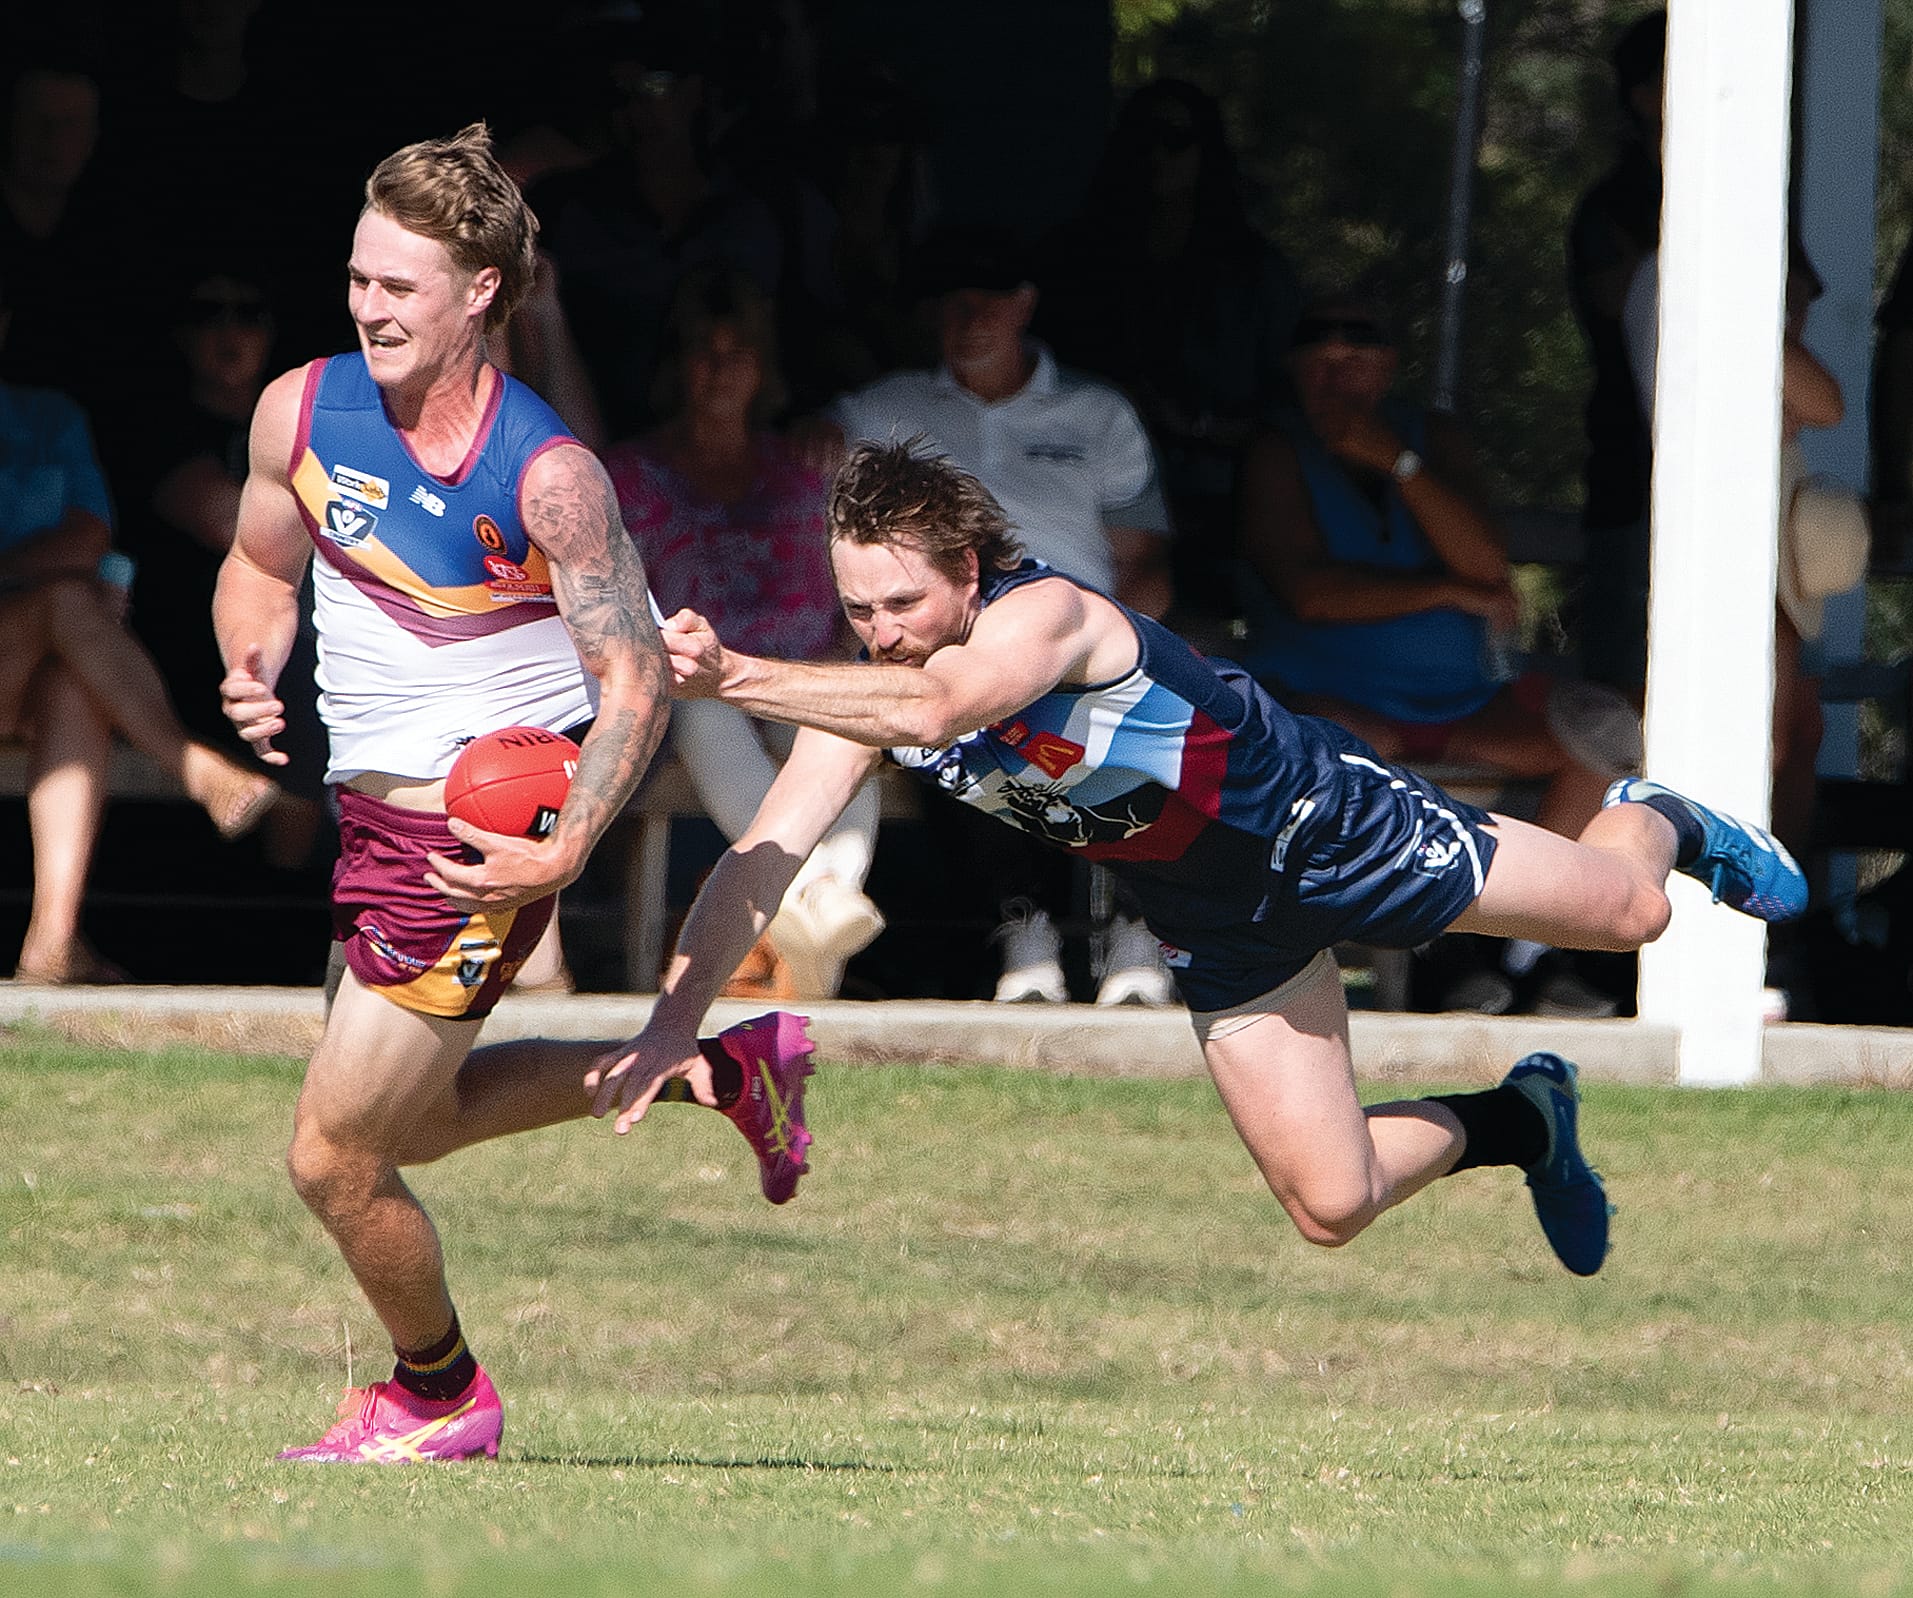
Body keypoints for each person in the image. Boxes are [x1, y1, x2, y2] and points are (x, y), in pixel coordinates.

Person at [597, 441, 1808, 1279]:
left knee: (1633, 911)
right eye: (858, 611)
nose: (880, 634)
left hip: (1332, 830)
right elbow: (758, 859)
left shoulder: (1045, 616)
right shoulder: (866, 689)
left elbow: (941, 705)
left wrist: (734, 673)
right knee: (1330, 1202)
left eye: (902, 604)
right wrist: (671, 1021)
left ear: (965, 570)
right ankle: (1522, 1119)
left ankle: (1656, 809)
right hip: (1216, 919)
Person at [212, 125, 815, 1465]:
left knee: (332, 1155)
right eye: (358, 277)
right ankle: (722, 1069)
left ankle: (439, 1393)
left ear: (481, 291)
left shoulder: (548, 476)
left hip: (476, 836)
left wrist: (565, 847)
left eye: (400, 286)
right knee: (419, 1120)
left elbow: (636, 678)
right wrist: (249, 656)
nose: (369, 307)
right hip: (370, 820)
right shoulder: (299, 411)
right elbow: (257, 564)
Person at [1236, 294, 1637, 1015]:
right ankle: (1433, 948)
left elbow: (1485, 561)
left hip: (1464, 704)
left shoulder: (1429, 438)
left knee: (1603, 740)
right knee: (1335, 747)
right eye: (1320, 365)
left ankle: (1527, 953)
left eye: (1356, 363)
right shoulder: (1276, 449)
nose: (1336, 381)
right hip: (1335, 700)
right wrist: (1449, 592)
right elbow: (1310, 595)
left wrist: (1398, 462)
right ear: (1293, 370)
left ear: (1389, 367)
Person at [812, 224, 1177, 1005]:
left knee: (1144, 711)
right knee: (943, 720)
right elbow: (799, 492)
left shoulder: (1097, 412)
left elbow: (1142, 562)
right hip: (940, 642)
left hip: (1076, 634)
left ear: (1026, 305)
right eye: (954, 302)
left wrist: (1127, 653)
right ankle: (1022, 927)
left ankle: (1140, 930)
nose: (970, 318)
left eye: (990, 299)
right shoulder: (878, 410)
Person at [604, 264, 884, 998]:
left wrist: (845, 655)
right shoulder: (628, 473)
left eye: (740, 351)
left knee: (849, 720)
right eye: (704, 349)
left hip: (804, 671)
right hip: (691, 681)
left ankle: (815, 898)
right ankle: (819, 898)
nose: (721, 367)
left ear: (765, 368)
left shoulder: (807, 464)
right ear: (676, 364)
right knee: (702, 707)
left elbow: (852, 589)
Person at [0, 270, 281, 985]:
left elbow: (89, 536)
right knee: (68, 603)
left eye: (248, 313)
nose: (230, 328)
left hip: (24, 670)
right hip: (34, 629)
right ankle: (190, 764)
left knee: (73, 676)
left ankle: (52, 940)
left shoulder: (48, 416)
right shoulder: (166, 432)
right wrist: (41, 581)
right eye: (210, 313)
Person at [1037, 77, 1301, 642]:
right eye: (1142, 139)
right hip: (1090, 497)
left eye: (1176, 139)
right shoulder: (1076, 261)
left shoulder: (1254, 273)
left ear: (1207, 153)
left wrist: (1197, 425)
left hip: (1221, 503)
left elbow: (1290, 411)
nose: (1156, 155)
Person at [1565, 9, 1665, 695]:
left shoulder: (1744, 201)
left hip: (1755, 479)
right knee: (1629, 694)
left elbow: (1796, 296)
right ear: (1644, 96)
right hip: (1633, 475)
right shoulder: (1614, 205)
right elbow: (1623, 300)